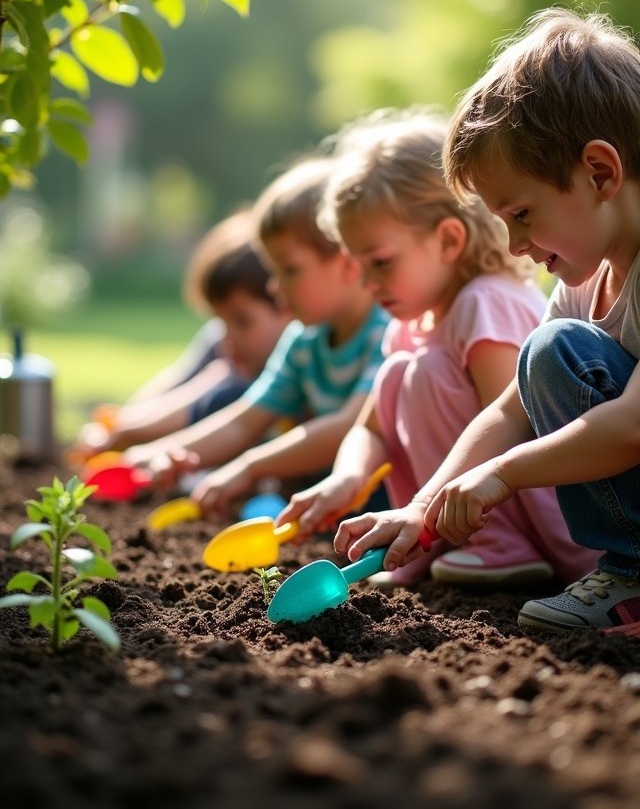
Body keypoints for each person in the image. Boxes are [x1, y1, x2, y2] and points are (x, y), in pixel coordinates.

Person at [334, 8, 640, 636]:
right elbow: (509, 409)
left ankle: (632, 578)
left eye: (523, 213)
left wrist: (502, 474)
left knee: (551, 346)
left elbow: (634, 425)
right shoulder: (582, 287)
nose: (514, 243)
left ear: (601, 173)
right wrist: (423, 508)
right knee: (546, 352)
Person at [277, 107, 594, 587]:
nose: (367, 281)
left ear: (447, 240)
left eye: (380, 262)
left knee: (423, 370)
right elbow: (372, 427)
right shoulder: (412, 323)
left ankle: (498, 545)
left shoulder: (485, 302)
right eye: (358, 264)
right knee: (400, 371)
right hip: (462, 505)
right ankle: (431, 539)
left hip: (555, 514)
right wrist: (347, 477)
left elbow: (515, 424)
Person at [124, 154, 390, 518]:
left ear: (347, 260)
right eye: (272, 270)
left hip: (386, 502)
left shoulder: (387, 329)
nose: (275, 287)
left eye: (289, 270)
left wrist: (251, 466)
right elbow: (245, 420)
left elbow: (348, 426)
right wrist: (162, 454)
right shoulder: (303, 339)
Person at [72, 208, 290, 457]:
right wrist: (123, 423)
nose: (225, 338)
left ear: (286, 305)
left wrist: (127, 433)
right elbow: (180, 381)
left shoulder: (275, 370)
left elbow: (201, 406)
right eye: (220, 320)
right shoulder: (225, 344)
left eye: (241, 321)